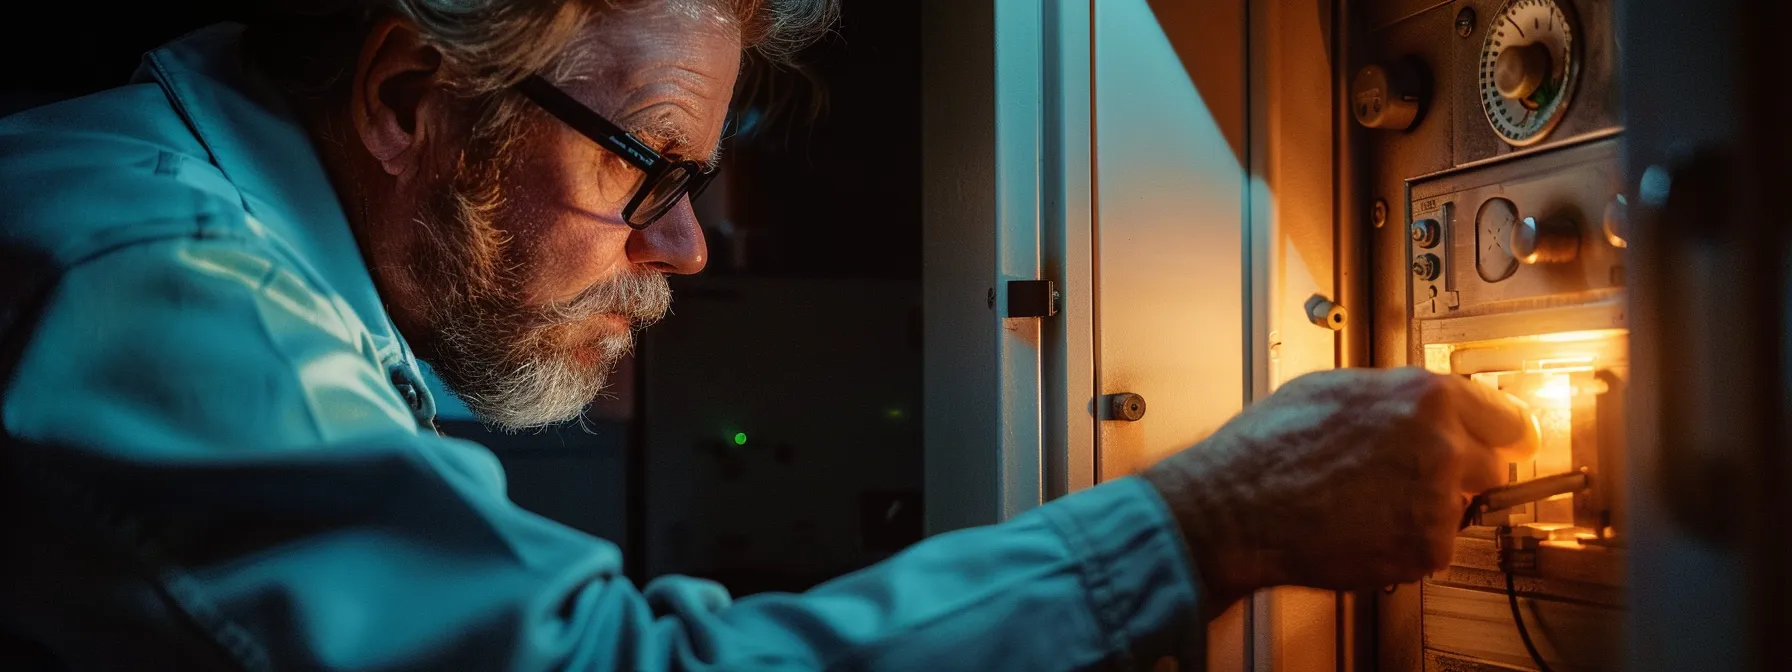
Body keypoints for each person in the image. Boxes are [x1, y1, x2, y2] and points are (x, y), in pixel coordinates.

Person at [0, 1, 1536, 669]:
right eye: (647, 168)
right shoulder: (153, 275)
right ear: (409, 99)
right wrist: (1216, 517)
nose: (681, 247)